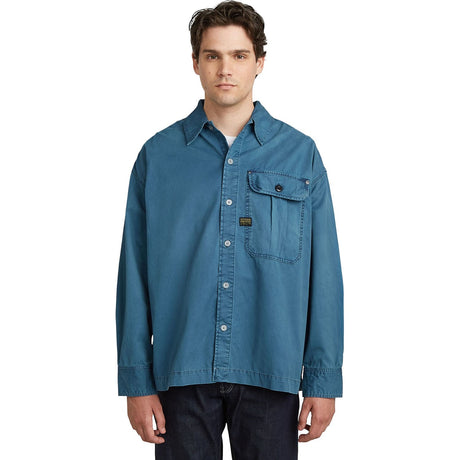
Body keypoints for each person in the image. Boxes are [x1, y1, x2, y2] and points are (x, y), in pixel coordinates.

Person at [115, 1, 344, 458]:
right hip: (180, 375)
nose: (225, 69)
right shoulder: (158, 157)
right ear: (195, 62)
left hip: (271, 371)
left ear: (260, 62)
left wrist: (323, 380)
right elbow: (134, 275)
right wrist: (136, 382)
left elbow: (324, 276)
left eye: (239, 55)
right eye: (213, 55)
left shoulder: (300, 155)